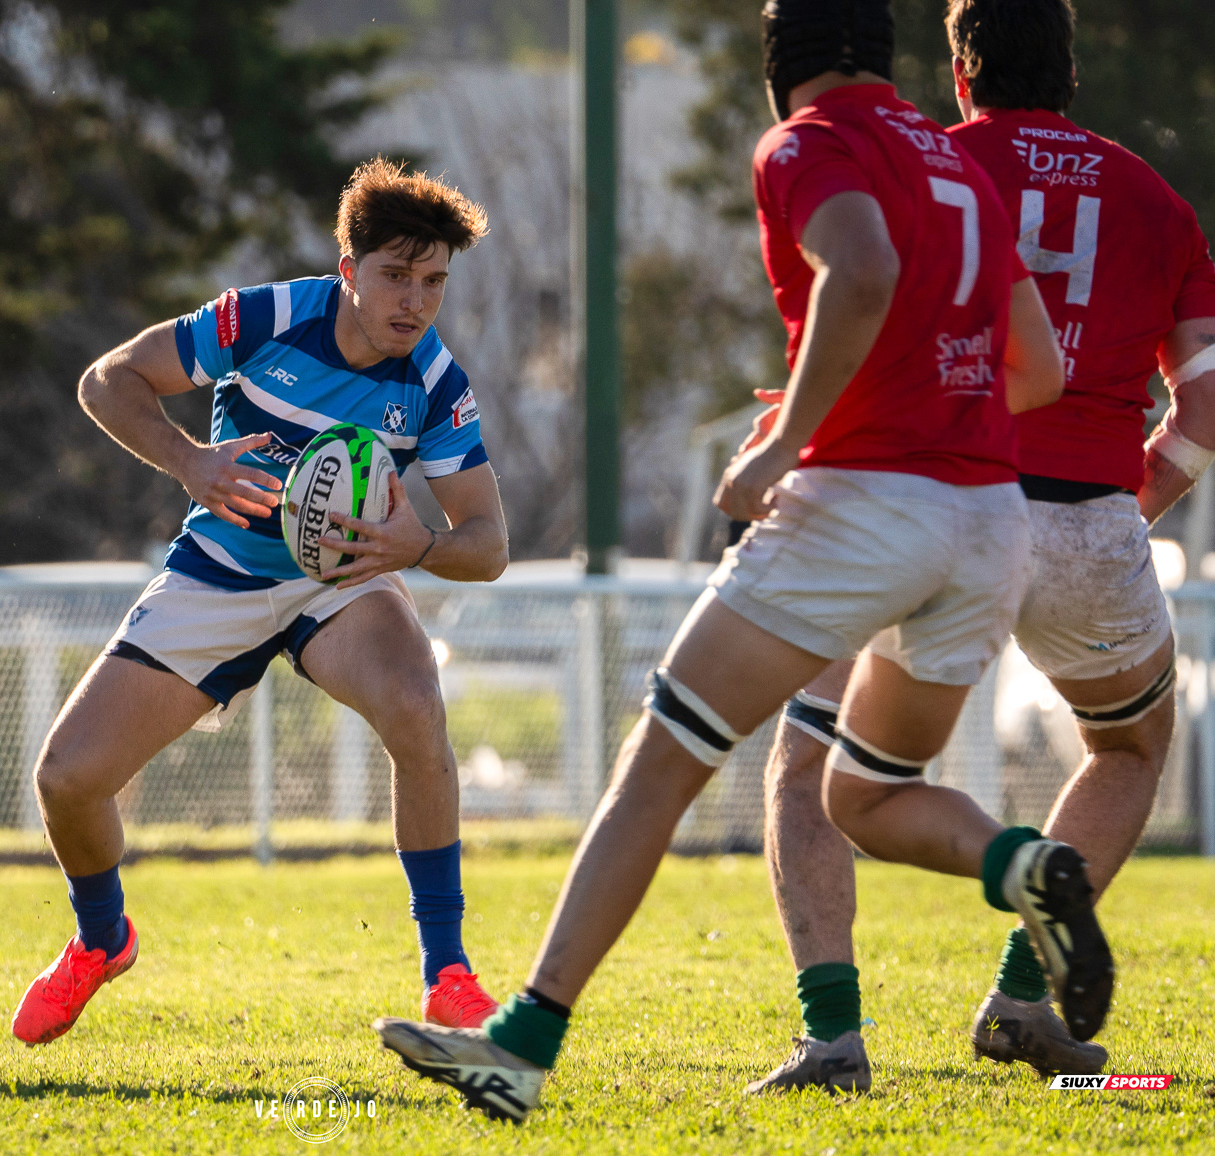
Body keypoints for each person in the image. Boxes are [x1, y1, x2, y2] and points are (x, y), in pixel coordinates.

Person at [373, 0, 1082, 1122]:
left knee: (661, 760)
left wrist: (790, 444)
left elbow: (857, 270)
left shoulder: (807, 145)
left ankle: (521, 1043)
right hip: (989, 518)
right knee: (871, 793)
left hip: (862, 506)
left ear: (779, 59)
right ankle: (1029, 868)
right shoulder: (955, 166)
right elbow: (1034, 371)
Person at [743, 0, 1215, 1090]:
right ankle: (1020, 994)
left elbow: (855, 312)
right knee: (1131, 749)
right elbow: (1202, 401)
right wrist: (1130, 498)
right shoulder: (1155, 195)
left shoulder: (921, 162)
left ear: (960, 69)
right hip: (1085, 517)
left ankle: (832, 1037)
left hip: (924, 496)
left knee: (815, 761)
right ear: (1071, 70)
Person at [11, 159, 510, 1046]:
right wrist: (190, 461)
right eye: (396, 275)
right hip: (218, 573)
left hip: (340, 585)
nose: (415, 302)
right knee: (66, 778)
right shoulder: (267, 318)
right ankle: (101, 940)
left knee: (416, 701)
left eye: (433, 281)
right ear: (348, 271)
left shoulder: (433, 381)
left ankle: (448, 975)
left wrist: (420, 548)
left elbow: (488, 543)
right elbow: (107, 380)